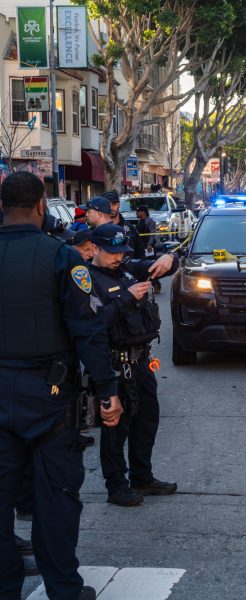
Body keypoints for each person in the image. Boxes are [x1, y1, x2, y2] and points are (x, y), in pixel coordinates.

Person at [0, 171, 122, 600]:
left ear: (2, 206)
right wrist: (108, 391)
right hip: (48, 398)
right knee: (56, 499)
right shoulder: (61, 258)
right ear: (39, 207)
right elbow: (88, 332)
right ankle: (64, 589)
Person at [88, 223, 178, 507]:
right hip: (113, 364)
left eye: (121, 251)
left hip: (141, 361)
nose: (118, 256)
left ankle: (142, 476)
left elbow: (165, 267)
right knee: (116, 428)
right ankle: (117, 485)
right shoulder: (86, 280)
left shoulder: (127, 270)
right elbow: (93, 324)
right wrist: (128, 298)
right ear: (94, 249)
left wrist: (169, 259)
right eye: (112, 252)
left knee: (147, 420)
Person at [104, 190, 146, 259]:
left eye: (114, 204)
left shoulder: (130, 228)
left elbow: (140, 252)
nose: (111, 208)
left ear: (119, 204)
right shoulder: (96, 229)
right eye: (108, 204)